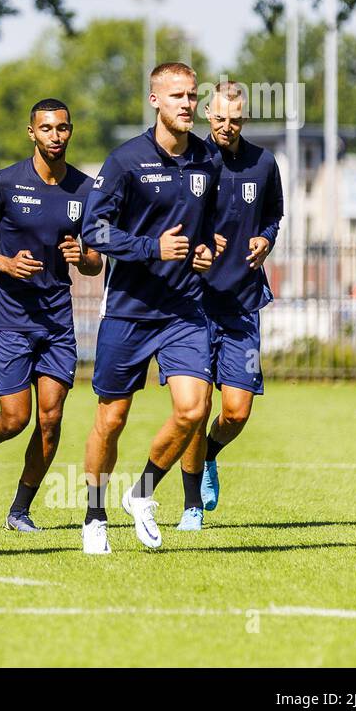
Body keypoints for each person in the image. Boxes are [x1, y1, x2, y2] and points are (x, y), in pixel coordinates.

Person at [79, 61, 221, 555]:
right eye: (177, 95)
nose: (187, 104)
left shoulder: (208, 159)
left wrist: (207, 251)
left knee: (193, 410)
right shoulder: (124, 161)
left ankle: (142, 495)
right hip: (130, 310)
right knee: (111, 419)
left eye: (192, 95)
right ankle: (94, 516)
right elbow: (93, 232)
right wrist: (149, 248)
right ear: (155, 100)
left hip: (185, 310)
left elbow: (207, 233)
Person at [0, 98, 102, 530]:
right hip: (13, 319)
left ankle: (20, 510)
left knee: (51, 421)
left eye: (63, 128)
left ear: (70, 131)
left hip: (57, 321)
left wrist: (82, 257)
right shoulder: (5, 183)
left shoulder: (86, 190)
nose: (56, 136)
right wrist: (6, 264)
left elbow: (96, 262)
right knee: (16, 419)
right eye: (47, 128)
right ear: (32, 133)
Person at [177, 81, 283, 527]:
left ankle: (211, 456)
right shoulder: (191, 162)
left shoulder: (264, 163)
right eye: (218, 118)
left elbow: (275, 216)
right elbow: (174, 222)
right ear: (206, 114)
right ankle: (190, 507)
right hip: (195, 305)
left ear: (245, 119)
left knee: (236, 411)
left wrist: (266, 239)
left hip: (242, 304)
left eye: (234, 120)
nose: (226, 126)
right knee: (195, 410)